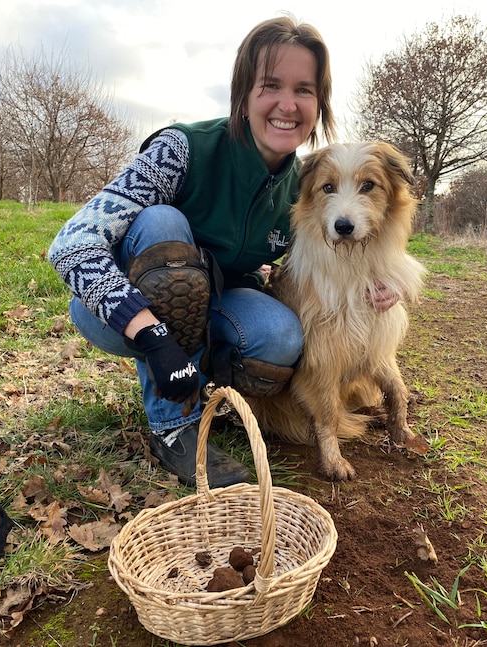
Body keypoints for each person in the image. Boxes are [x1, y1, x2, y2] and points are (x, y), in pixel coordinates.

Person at [48, 15, 337, 488]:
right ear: (244, 94)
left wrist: (377, 284)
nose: (288, 104)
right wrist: (154, 337)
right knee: (164, 223)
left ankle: (203, 389)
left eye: (304, 90)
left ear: (318, 102)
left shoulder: (303, 186)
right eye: (270, 86)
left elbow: (331, 254)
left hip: (220, 300)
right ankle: (174, 426)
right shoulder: (181, 149)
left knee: (281, 337)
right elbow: (71, 243)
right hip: (119, 312)